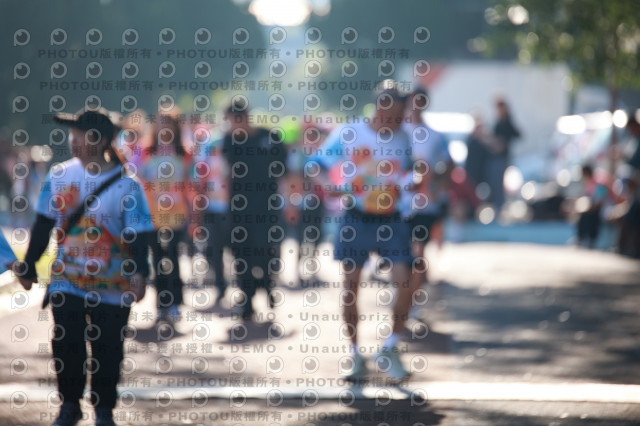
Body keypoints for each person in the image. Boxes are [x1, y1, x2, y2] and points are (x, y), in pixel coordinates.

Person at [16, 108, 153, 426]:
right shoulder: (59, 175)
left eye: (81, 135)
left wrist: (140, 273)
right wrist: (28, 266)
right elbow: (43, 224)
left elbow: (139, 235)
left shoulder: (128, 186)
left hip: (113, 282)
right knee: (67, 341)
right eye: (73, 135)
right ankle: (70, 405)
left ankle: (104, 409)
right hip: (68, 277)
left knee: (108, 346)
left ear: (102, 141)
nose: (74, 141)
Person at [312, 82, 417, 381]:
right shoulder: (351, 132)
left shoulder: (404, 137)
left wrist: (417, 178)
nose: (399, 121)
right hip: (356, 218)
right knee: (350, 289)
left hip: (392, 220)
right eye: (395, 115)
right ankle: (355, 354)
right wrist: (329, 185)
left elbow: (412, 169)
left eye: (402, 115)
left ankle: (390, 347)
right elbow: (315, 165)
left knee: (406, 283)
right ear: (380, 108)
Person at [222, 102, 287, 320]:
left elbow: (284, 173)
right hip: (238, 208)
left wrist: (290, 203)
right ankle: (247, 299)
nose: (234, 125)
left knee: (264, 250)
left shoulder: (269, 137)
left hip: (267, 207)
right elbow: (226, 174)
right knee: (241, 254)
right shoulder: (229, 141)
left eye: (236, 119)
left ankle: (267, 284)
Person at [135, 111, 192, 323]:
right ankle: (161, 303)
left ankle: (175, 301)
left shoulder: (184, 153)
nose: (164, 128)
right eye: (160, 123)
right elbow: (134, 175)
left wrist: (195, 214)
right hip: (152, 216)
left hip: (177, 215)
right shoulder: (145, 151)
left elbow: (191, 183)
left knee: (173, 257)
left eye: (168, 123)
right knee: (158, 258)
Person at [191, 123, 230, 303]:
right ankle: (220, 285)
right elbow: (198, 183)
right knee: (214, 249)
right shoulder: (204, 162)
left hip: (231, 210)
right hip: (211, 210)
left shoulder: (231, 159)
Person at [487, 98, 520, 210]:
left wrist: (504, 142)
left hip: (502, 158)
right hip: (495, 157)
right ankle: (497, 205)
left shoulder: (507, 122)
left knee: (499, 182)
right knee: (494, 182)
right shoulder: (499, 121)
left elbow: (517, 134)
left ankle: (499, 206)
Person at [576, 164, 608, 248]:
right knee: (583, 217)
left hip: (599, 208)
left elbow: (602, 196)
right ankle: (582, 238)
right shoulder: (588, 182)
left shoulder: (598, 182)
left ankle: (592, 239)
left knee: (591, 218)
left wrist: (594, 206)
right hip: (591, 207)